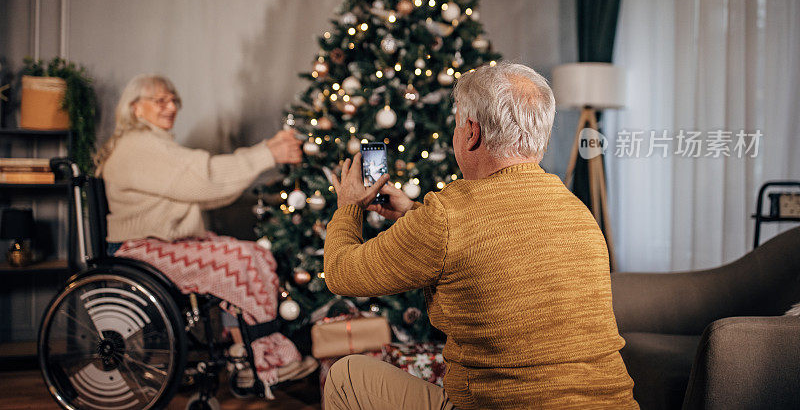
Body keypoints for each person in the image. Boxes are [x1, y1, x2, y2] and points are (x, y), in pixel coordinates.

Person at [323, 62, 637, 409]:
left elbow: (341, 272)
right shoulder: (576, 211)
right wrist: (414, 213)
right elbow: (494, 239)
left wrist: (349, 206)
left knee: (347, 375)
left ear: (472, 133)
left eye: (457, 125)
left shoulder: (449, 215)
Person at [95, 73, 317, 392]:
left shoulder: (152, 144)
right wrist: (267, 153)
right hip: (140, 249)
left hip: (162, 243)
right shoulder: (138, 147)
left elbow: (210, 189)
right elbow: (206, 178)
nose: (171, 106)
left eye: (174, 100)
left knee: (255, 254)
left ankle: (246, 352)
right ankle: (261, 360)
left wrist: (264, 152)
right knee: (240, 258)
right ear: (135, 109)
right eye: (160, 100)